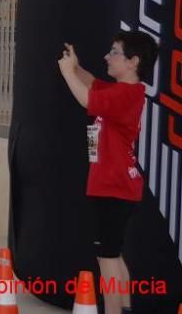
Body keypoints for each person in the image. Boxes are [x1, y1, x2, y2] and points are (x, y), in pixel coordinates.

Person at [58, 30, 157, 314]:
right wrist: (75, 66)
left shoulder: (127, 94)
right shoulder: (120, 91)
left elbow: (86, 99)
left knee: (107, 259)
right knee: (114, 256)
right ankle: (124, 309)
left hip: (114, 187)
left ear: (133, 62)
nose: (107, 57)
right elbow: (91, 84)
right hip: (112, 186)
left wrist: (67, 74)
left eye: (114, 52)